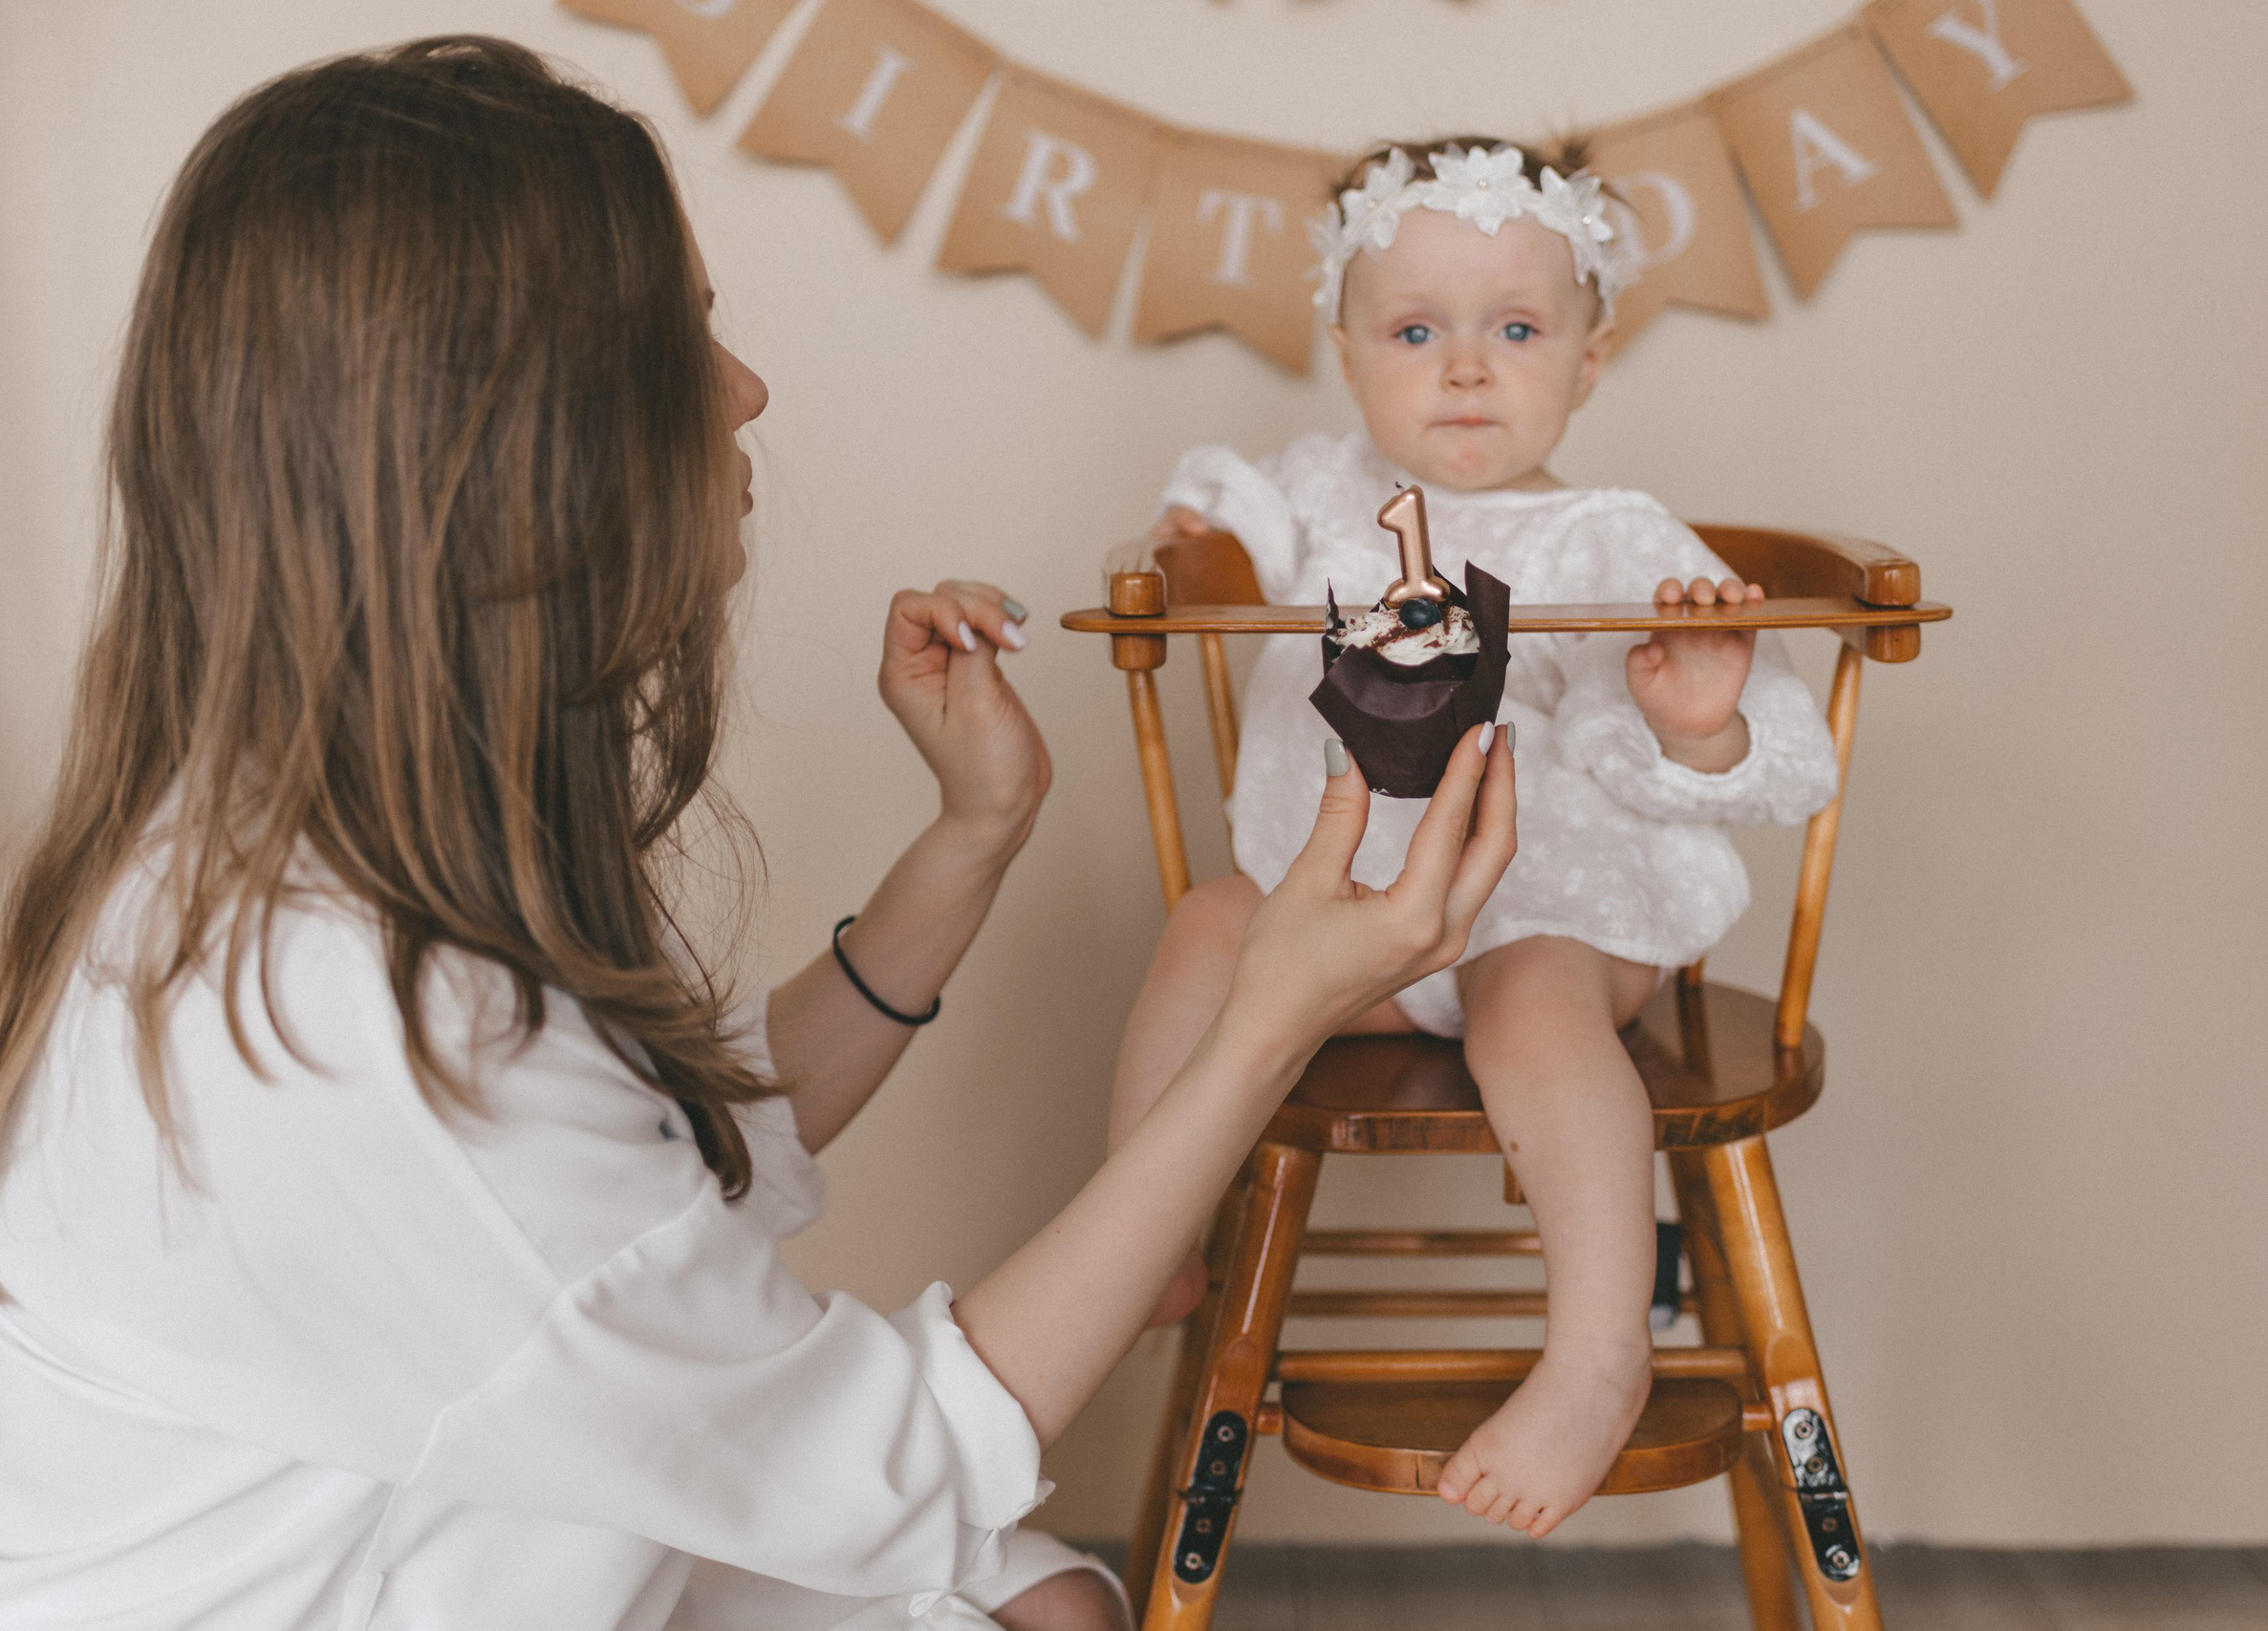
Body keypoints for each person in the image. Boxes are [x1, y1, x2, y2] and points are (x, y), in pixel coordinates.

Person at [0, 41, 1517, 1631]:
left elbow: (671, 1163)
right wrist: (1266, 1021)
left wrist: (973, 838)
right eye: (691, 336)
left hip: (444, 1529)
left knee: (1040, 1596)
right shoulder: (361, 1026)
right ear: (524, 438)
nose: (745, 391)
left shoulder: (299, 857)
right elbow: (907, 1460)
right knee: (1017, 1588)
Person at [1105, 138, 1840, 1540]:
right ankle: (1140, 1230)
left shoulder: (1615, 540)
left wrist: (1692, 716)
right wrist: (1182, 543)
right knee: (1210, 922)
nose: (1464, 369)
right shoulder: (1315, 500)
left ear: (1591, 357)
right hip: (1356, 924)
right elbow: (1205, 536)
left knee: (1537, 1003)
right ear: (1344, 348)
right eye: (1415, 330)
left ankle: (1596, 1354)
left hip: (1548, 912)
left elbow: (1774, 767)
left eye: (1514, 329)